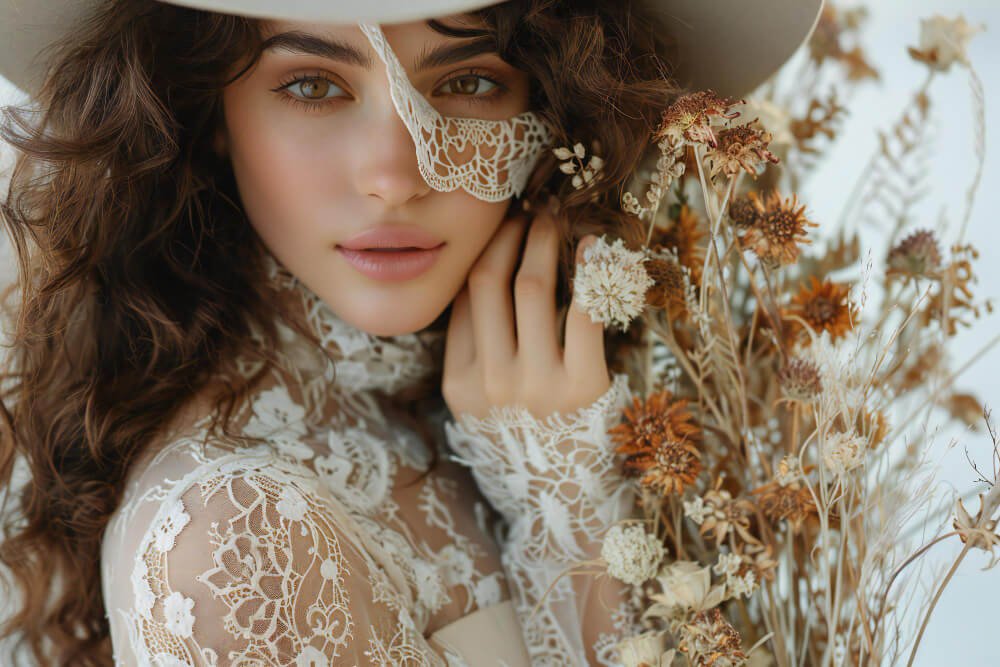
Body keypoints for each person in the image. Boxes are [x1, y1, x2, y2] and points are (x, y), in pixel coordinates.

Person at [0, 0, 822, 664]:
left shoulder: (549, 387)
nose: (395, 175)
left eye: (468, 81)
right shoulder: (236, 541)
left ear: (552, 101)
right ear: (208, 109)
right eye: (314, 86)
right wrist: (563, 506)